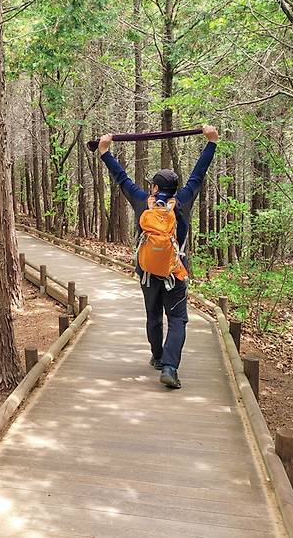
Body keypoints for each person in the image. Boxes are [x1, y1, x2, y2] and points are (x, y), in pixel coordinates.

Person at [97, 125, 218, 389]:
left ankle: (157, 356)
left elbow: (122, 178)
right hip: (175, 273)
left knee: (153, 316)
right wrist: (211, 142)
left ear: (153, 187)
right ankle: (170, 367)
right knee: (177, 320)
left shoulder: (143, 202)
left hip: (148, 274)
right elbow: (198, 175)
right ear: (175, 188)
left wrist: (105, 151)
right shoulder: (183, 202)